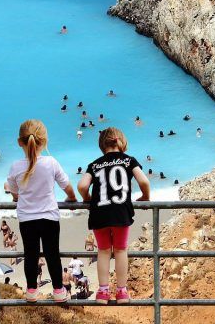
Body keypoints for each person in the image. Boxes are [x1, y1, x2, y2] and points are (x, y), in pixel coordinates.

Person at [5, 119, 75, 303]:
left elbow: (15, 193)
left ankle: (31, 291)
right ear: (44, 141)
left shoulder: (15, 166)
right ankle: (59, 291)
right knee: (52, 254)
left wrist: (16, 198)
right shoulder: (51, 162)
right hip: (50, 217)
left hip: (27, 218)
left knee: (31, 255)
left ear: (20, 142)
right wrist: (72, 199)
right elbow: (66, 186)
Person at [78, 127, 151, 304]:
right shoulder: (129, 161)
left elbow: (81, 186)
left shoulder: (94, 164)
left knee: (103, 251)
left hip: (99, 213)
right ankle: (122, 292)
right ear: (119, 141)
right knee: (120, 250)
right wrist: (145, 197)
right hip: (121, 212)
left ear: (102, 145)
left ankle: (103, 292)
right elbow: (144, 181)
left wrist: (87, 198)